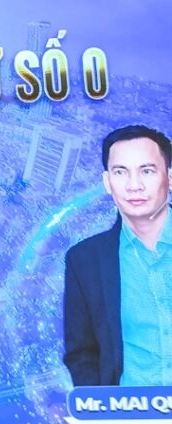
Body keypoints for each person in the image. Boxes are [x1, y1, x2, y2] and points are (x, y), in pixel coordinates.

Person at [63, 124, 172, 386]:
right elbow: (82, 354)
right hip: (129, 409)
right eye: (120, 172)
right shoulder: (85, 260)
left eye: (147, 171)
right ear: (107, 182)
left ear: (169, 178)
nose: (134, 185)